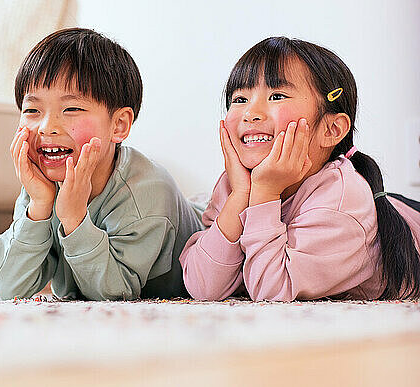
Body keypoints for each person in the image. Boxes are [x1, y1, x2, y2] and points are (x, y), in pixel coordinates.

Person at [180, 37, 420, 302]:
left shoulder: (340, 202)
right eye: (239, 99)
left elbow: (272, 291)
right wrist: (240, 197)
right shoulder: (236, 184)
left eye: (277, 96)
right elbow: (203, 287)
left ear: (331, 130)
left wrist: (266, 192)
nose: (250, 113)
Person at [0, 28, 203, 300]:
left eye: (72, 109)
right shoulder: (43, 186)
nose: (46, 127)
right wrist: (39, 207)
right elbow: (10, 288)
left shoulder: (148, 194)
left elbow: (112, 294)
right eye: (32, 110)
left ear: (119, 124)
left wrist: (75, 220)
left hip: (214, 235)